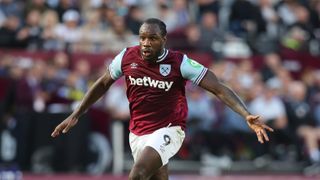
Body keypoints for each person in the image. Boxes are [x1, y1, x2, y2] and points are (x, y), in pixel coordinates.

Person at [51, 18, 274, 180]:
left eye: (152, 38)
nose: (146, 43)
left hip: (170, 130)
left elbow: (218, 88)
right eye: (142, 38)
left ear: (164, 40)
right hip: (137, 133)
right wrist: (76, 113)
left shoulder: (180, 63)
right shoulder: (127, 57)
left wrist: (245, 114)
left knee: (137, 174)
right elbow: (102, 84)